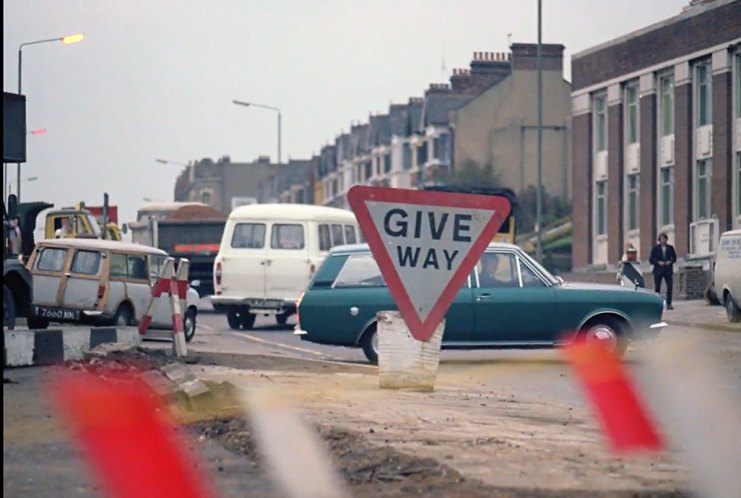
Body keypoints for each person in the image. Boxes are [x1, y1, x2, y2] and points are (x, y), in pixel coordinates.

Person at [649, 232, 677, 310]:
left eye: (664, 239)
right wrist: (658, 262)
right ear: (659, 240)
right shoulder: (655, 248)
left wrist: (670, 262)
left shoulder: (670, 248)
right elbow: (651, 259)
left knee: (670, 286)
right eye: (661, 239)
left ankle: (669, 303)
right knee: (657, 287)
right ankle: (657, 303)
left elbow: (674, 258)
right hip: (658, 270)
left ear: (666, 239)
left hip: (668, 270)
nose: (663, 241)